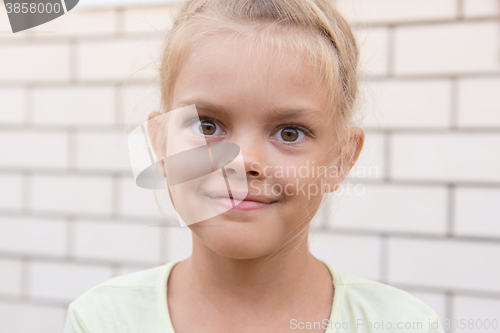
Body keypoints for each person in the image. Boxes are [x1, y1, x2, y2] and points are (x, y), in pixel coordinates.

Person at [63, 0, 444, 332]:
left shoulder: (401, 323)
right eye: (207, 125)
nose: (244, 162)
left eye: (290, 133)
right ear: (160, 144)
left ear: (340, 160)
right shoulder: (102, 320)